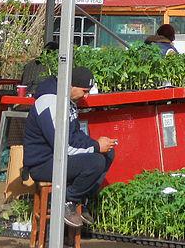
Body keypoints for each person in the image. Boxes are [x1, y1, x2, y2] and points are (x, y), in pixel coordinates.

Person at [23, 66, 116, 227]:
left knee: (108, 153)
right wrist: (95, 147)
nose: (86, 96)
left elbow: (75, 136)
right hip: (42, 163)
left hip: (58, 158)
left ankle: (82, 199)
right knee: (95, 162)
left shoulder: (68, 100)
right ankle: (67, 200)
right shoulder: (50, 102)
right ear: (71, 85)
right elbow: (62, 146)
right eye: (84, 91)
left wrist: (97, 144)